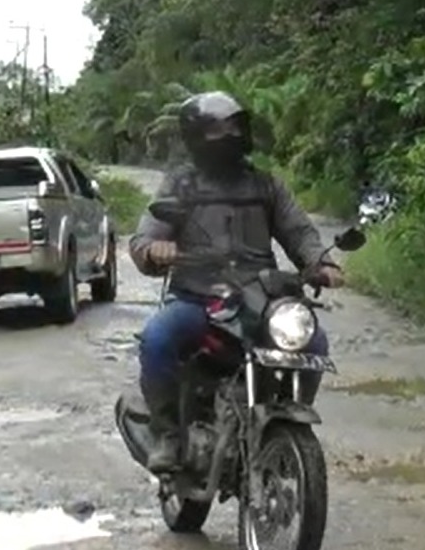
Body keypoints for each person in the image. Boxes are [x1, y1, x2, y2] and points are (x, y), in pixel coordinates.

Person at [125, 91, 344, 474]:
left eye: (234, 126)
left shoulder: (265, 186)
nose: (228, 135)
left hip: (258, 297)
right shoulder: (182, 186)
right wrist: (154, 249)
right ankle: (168, 434)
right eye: (217, 129)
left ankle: (284, 419)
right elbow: (144, 238)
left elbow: (298, 231)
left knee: (314, 340)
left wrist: (319, 261)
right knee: (158, 338)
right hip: (198, 297)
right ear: (196, 136)